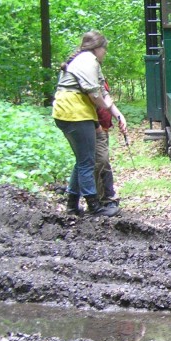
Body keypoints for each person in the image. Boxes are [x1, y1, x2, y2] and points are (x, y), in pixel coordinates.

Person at [52, 30, 123, 217]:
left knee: (82, 160)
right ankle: (94, 207)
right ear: (97, 48)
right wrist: (106, 107)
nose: (105, 53)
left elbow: (101, 91)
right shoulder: (88, 61)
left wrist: (117, 114)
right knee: (87, 162)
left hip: (69, 111)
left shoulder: (90, 62)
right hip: (74, 112)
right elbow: (95, 95)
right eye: (104, 49)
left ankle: (72, 205)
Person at [94, 79, 126, 210]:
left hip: (103, 128)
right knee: (100, 162)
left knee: (104, 162)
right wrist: (97, 126)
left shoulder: (99, 78)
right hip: (96, 128)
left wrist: (119, 116)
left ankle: (109, 196)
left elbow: (107, 101)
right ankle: (102, 200)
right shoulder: (87, 77)